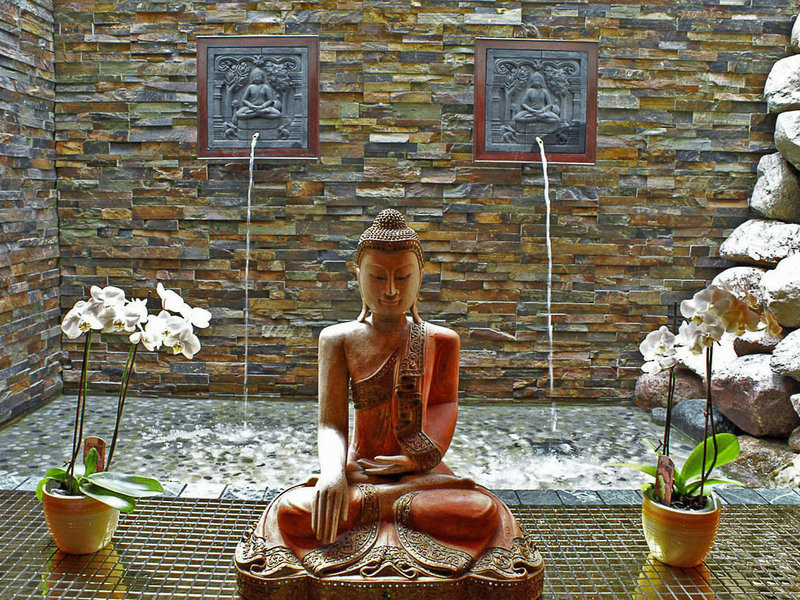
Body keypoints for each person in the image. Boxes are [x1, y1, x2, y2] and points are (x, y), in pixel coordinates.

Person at [236, 209, 543, 600]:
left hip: (422, 474)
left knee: (479, 511)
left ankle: (382, 505)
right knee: (293, 510)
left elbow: (445, 404)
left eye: (403, 276)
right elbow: (330, 424)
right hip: (359, 471)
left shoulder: (441, 340)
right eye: (378, 277)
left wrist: (417, 461)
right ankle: (390, 506)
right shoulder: (338, 339)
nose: (392, 290)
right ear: (357, 276)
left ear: (420, 277)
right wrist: (332, 473)